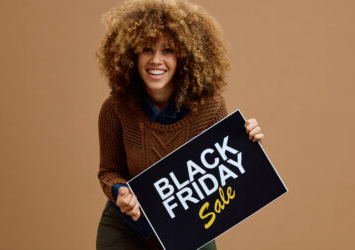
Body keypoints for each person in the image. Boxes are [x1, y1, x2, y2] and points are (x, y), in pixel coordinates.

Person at [95, 0, 264, 249]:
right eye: (146, 49)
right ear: (131, 54)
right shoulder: (115, 108)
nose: (156, 60)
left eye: (167, 50)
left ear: (184, 55)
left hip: (190, 226)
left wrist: (247, 144)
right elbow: (108, 171)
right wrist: (121, 192)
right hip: (127, 228)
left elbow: (224, 176)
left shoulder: (211, 107)